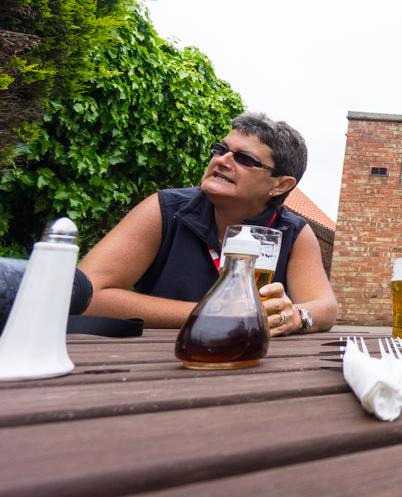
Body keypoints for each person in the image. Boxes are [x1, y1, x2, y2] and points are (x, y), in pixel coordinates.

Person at [79, 112, 337, 336]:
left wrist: (297, 317)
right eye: (221, 149)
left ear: (280, 185)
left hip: (252, 364)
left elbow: (325, 308)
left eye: (244, 159)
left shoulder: (292, 231)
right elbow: (85, 296)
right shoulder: (165, 209)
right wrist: (218, 313)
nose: (221, 160)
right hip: (153, 361)